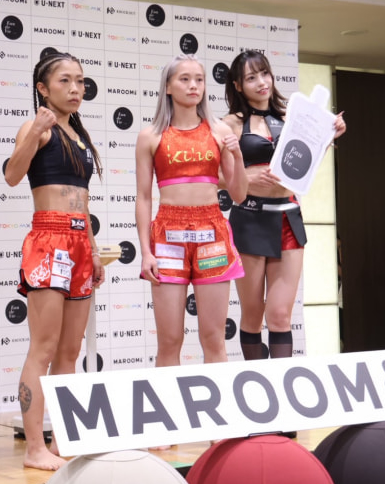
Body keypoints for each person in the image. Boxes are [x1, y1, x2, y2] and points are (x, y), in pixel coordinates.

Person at [4, 51, 104, 471]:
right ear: (43, 89)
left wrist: (93, 249)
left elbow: (82, 201)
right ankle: (34, 447)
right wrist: (35, 131)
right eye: (65, 81)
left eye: (80, 81)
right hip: (49, 240)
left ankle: (63, 437)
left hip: (80, 242)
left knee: (70, 350)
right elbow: (12, 175)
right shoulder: (37, 127)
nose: (75, 88)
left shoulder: (78, 134)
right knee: (43, 348)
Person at [222, 50, 346, 362]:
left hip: (288, 218)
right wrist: (247, 177)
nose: (262, 82)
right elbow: (214, 176)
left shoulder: (292, 115)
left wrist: (328, 136)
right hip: (249, 220)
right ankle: (255, 381)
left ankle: (280, 384)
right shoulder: (230, 124)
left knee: (279, 315)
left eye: (264, 73)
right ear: (238, 85)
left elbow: (305, 161)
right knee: (252, 316)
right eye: (251, 78)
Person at [135, 54, 248, 372]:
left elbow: (238, 194)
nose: (193, 85)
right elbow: (143, 197)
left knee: (214, 339)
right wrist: (146, 252)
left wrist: (238, 156)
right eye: (184, 79)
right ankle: (167, 406)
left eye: (199, 79)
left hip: (212, 234)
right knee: (169, 341)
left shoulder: (219, 130)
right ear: (168, 86)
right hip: (167, 237)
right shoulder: (150, 136)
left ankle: (220, 406)